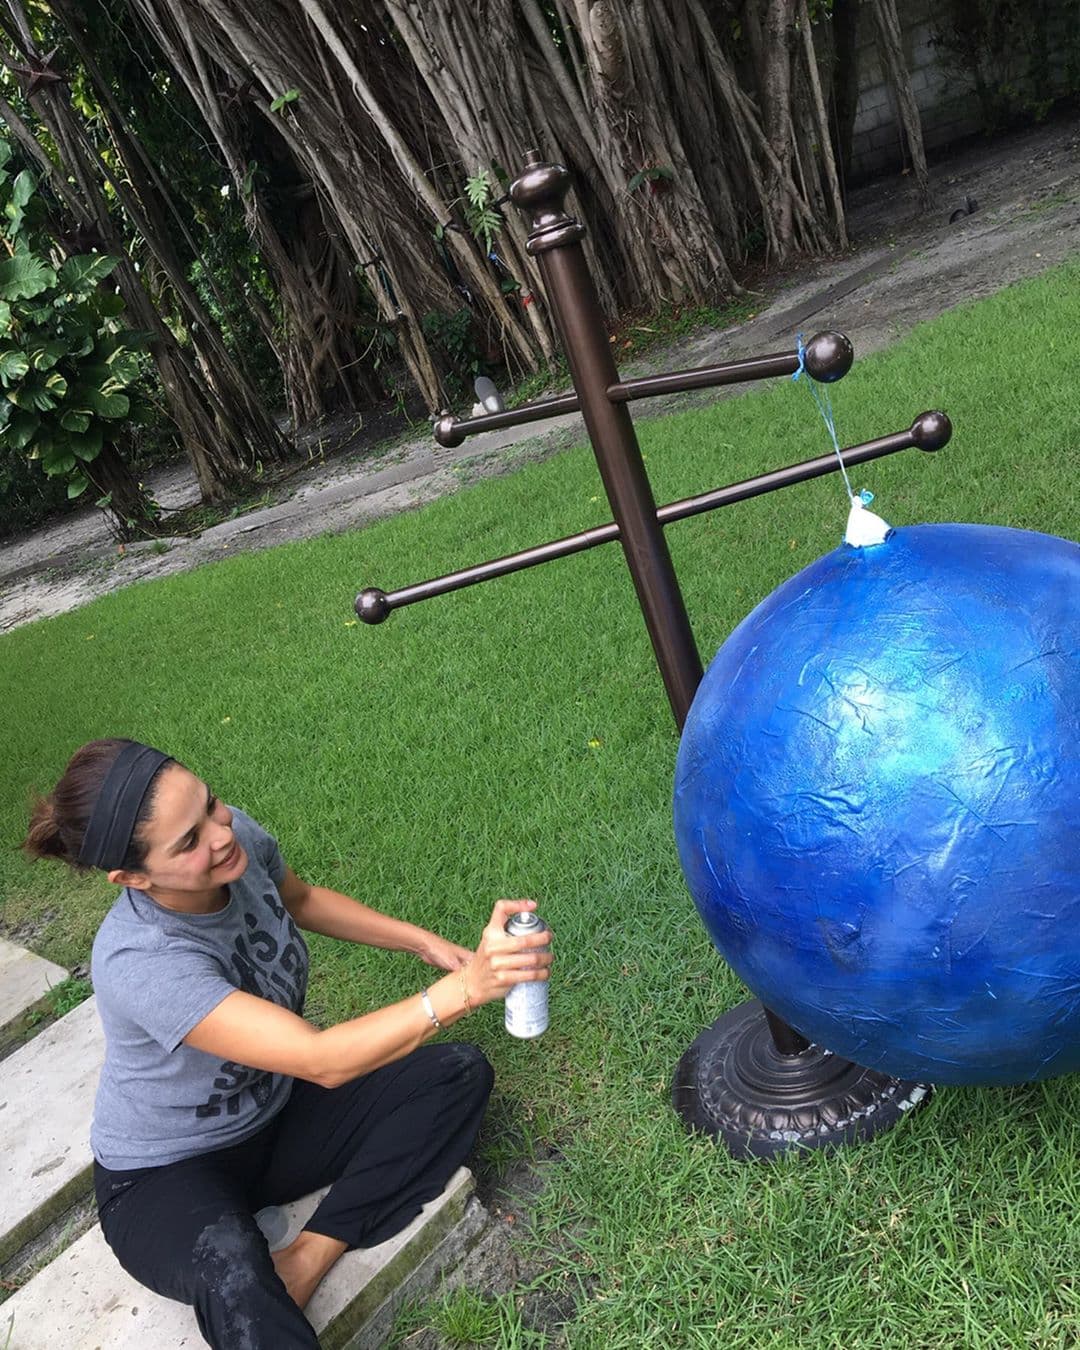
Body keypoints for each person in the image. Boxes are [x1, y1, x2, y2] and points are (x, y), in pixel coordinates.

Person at [23, 738, 552, 1349]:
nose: (221, 834)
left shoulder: (230, 841)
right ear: (133, 878)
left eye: (210, 805)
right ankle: (260, 1278)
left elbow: (298, 899)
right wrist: (465, 988)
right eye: (188, 842)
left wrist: (425, 945)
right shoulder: (141, 959)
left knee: (454, 1075)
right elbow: (321, 1060)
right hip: (166, 1172)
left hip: (274, 1115)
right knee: (233, 1268)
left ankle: (305, 1257)